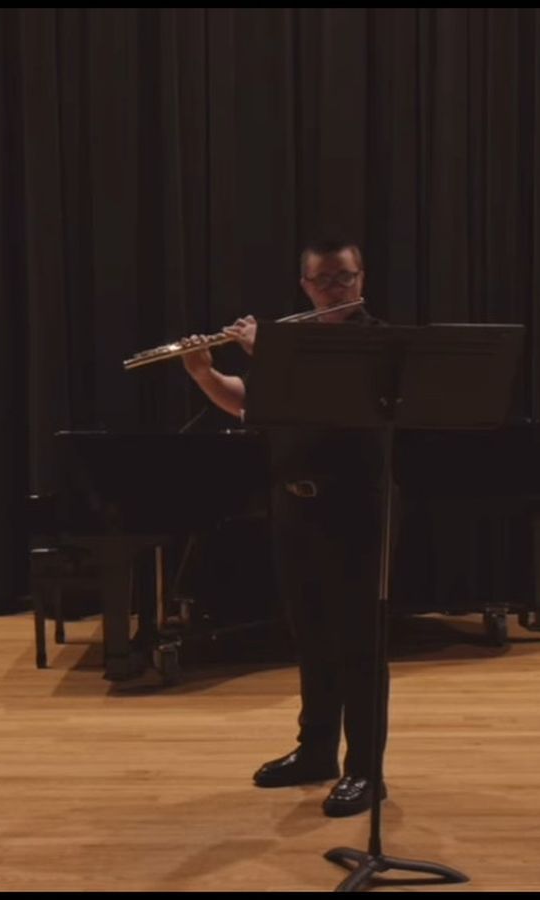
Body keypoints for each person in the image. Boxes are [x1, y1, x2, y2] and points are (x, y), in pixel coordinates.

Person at [181, 238, 388, 817]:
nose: (335, 290)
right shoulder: (293, 342)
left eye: (344, 278)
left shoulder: (373, 342)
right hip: (295, 507)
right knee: (311, 636)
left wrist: (270, 354)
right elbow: (252, 405)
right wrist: (204, 373)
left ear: (362, 277)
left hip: (357, 510)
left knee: (359, 645)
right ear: (305, 286)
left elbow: (331, 401)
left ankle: (366, 770)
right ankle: (316, 751)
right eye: (323, 281)